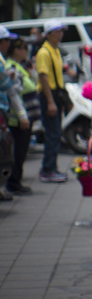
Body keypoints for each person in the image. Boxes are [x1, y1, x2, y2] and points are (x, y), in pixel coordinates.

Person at [34, 19, 69, 183]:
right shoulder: (44, 52)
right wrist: (50, 102)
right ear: (48, 34)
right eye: (57, 31)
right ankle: (47, 169)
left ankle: (52, 167)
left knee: (56, 133)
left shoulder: (55, 50)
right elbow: (43, 77)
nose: (60, 34)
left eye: (62, 31)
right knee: (52, 133)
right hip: (49, 94)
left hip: (56, 94)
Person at [6, 37, 40, 196]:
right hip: (17, 118)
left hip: (25, 115)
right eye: (24, 48)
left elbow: (33, 82)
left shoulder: (20, 66)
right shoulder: (11, 67)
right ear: (16, 50)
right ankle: (14, 181)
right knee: (18, 151)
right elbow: (14, 94)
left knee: (22, 149)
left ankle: (15, 180)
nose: (26, 51)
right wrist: (22, 116)